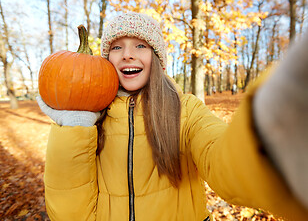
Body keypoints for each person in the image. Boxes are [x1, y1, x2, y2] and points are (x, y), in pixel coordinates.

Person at [37, 12, 308, 221]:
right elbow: (70, 214)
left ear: (156, 57)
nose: (128, 55)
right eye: (117, 47)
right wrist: (75, 126)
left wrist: (268, 135)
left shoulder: (186, 111)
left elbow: (222, 160)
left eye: (140, 45)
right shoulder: (88, 123)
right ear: (106, 58)